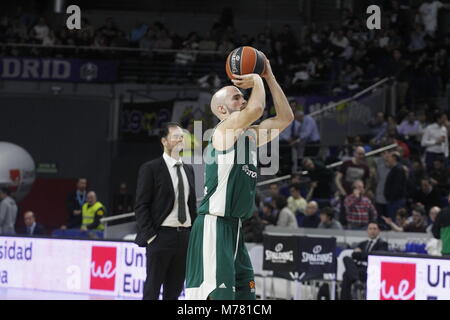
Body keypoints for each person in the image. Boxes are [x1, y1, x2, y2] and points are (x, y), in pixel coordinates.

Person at [185, 51, 294, 300]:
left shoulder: (250, 137)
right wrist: (256, 78)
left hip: (235, 228)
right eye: (237, 98)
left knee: (247, 298)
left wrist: (270, 76)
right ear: (222, 109)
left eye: (242, 97)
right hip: (213, 225)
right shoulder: (221, 132)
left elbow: (286, 118)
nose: (243, 100)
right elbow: (256, 108)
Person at [134, 122, 197, 300]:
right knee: (152, 289)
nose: (180, 140)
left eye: (182, 137)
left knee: (175, 291)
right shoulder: (151, 168)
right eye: (176, 136)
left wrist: (193, 234)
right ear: (164, 141)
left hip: (184, 238)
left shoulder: (189, 169)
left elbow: (191, 206)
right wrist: (151, 236)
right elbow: (141, 205)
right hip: (160, 236)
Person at [340, 222, 388, 300]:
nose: (372, 231)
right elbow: (354, 255)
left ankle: (355, 281)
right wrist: (365, 255)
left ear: (379, 231)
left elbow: (376, 256)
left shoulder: (383, 244)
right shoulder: (362, 243)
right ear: (367, 231)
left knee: (346, 275)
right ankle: (356, 280)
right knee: (345, 258)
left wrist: (362, 254)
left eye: (374, 229)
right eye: (370, 229)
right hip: (358, 268)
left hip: (370, 269)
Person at [384, 152, 407, 220]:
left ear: (394, 158)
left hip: (396, 200)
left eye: (389, 157)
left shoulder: (398, 169)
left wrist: (391, 197)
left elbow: (397, 186)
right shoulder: (395, 169)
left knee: (396, 219)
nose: (388, 159)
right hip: (393, 200)